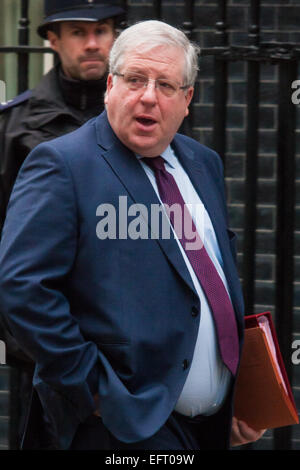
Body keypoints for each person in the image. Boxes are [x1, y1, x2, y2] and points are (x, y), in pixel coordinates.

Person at [0, 20, 265, 450]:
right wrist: (95, 390)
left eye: (165, 85)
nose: (147, 96)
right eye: (135, 79)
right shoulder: (63, 165)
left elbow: (208, 280)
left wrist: (233, 392)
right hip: (121, 428)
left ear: (187, 99)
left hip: (209, 427)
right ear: (110, 86)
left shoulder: (203, 163)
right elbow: (23, 290)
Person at [0, 0, 125, 448]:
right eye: (77, 31)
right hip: (44, 348)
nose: (93, 43)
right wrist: (23, 342)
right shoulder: (14, 128)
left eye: (103, 30)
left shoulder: (144, 122)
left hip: (132, 344)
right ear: (52, 39)